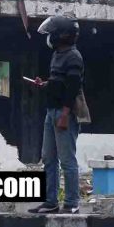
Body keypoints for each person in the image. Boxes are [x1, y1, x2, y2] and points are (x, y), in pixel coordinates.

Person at [28, 16, 84, 214]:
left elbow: (72, 89)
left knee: (67, 160)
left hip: (64, 113)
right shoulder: (57, 55)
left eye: (52, 33)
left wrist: (65, 115)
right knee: (48, 158)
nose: (49, 37)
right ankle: (50, 201)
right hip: (51, 111)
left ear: (62, 35)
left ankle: (72, 203)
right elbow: (58, 83)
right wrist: (44, 84)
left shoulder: (73, 57)